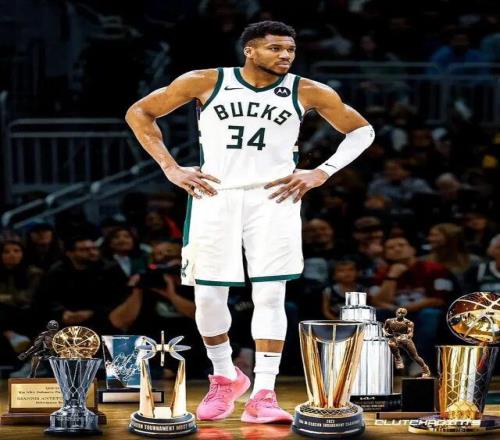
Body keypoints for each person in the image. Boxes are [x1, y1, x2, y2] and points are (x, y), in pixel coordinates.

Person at [125, 21, 374, 424]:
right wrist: (170, 167)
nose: (285, 55)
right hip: (214, 194)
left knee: (271, 295)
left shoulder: (308, 90)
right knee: (208, 297)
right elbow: (139, 112)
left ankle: (264, 392)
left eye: (290, 49)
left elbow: (362, 130)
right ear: (250, 50)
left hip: (273, 198)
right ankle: (225, 375)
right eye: (275, 48)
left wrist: (322, 172)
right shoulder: (205, 81)